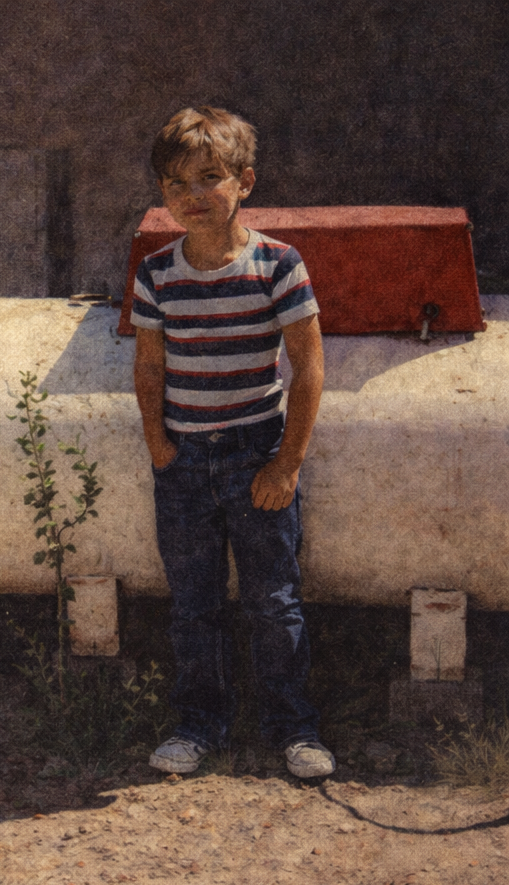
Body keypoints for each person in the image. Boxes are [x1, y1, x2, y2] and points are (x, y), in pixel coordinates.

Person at [131, 106, 335, 779]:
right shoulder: (157, 274)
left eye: (209, 178)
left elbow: (307, 367)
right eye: (175, 185)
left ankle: (293, 729)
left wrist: (287, 463)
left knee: (274, 601)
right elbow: (151, 365)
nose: (192, 197)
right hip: (184, 463)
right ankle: (199, 725)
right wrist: (160, 444)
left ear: (244, 181)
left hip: (256, 455)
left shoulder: (279, 265)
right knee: (194, 604)